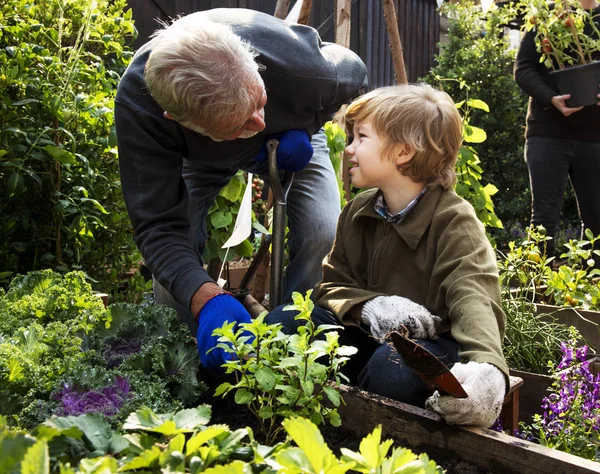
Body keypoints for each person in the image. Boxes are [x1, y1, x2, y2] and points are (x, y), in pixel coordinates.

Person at [114, 8, 368, 371]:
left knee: (321, 231)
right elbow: (158, 227)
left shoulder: (304, 68)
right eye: (239, 123)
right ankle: (185, 367)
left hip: (291, 140)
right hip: (199, 157)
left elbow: (355, 72)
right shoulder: (142, 110)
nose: (258, 121)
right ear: (178, 119)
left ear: (252, 64)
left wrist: (308, 123)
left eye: (260, 103)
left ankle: (300, 345)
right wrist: (205, 298)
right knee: (173, 272)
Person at [267, 84, 509, 428]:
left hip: (437, 346)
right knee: (285, 323)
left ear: (403, 152)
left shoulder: (453, 219)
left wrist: (487, 366)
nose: (348, 149)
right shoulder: (359, 211)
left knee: (391, 370)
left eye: (361, 138)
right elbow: (332, 284)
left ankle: (372, 441)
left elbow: (475, 295)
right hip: (366, 334)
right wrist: (370, 305)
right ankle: (299, 423)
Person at [514, 0, 600, 260]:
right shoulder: (546, 16)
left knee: (597, 219)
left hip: (595, 137)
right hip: (547, 133)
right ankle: (535, 292)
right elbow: (523, 69)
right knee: (544, 219)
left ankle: (590, 292)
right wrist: (550, 97)